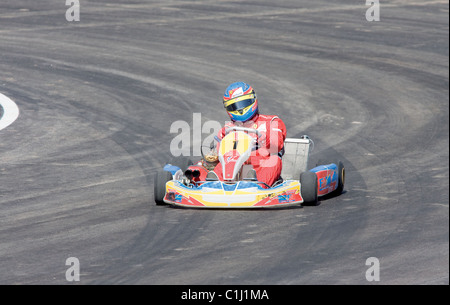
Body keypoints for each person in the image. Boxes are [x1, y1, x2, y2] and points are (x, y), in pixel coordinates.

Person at [210, 82, 287, 187]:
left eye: (244, 103)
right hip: (234, 165)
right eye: (234, 106)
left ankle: (258, 186)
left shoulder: (272, 121)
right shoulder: (228, 128)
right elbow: (218, 153)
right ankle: (213, 185)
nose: (240, 109)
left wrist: (264, 140)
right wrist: (215, 149)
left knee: (274, 160)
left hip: (260, 165)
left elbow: (276, 147)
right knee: (216, 164)